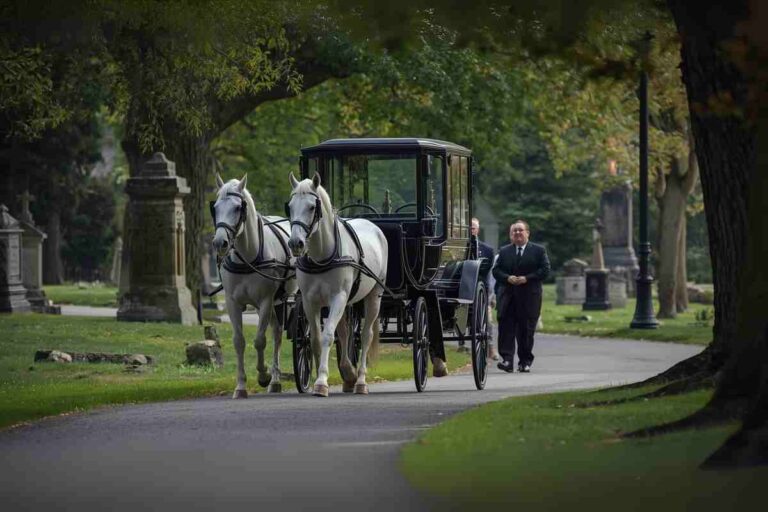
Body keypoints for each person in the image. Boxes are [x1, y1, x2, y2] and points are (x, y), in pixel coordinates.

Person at [492, 220, 550, 373]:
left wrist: (527, 278)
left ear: (527, 233)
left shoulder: (538, 251)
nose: (517, 233)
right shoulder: (504, 251)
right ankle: (507, 360)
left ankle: (524, 361)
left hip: (529, 297)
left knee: (526, 330)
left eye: (520, 230)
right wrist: (507, 277)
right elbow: (496, 271)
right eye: (514, 231)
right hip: (508, 296)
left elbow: (545, 270)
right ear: (511, 235)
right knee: (506, 329)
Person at [458, 218, 496, 354]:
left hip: (479, 291)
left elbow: (485, 272)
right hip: (460, 288)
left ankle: (490, 346)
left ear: (477, 230)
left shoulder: (487, 250)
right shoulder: (457, 247)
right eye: (468, 228)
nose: (470, 231)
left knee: (487, 319)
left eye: (473, 228)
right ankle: (461, 343)